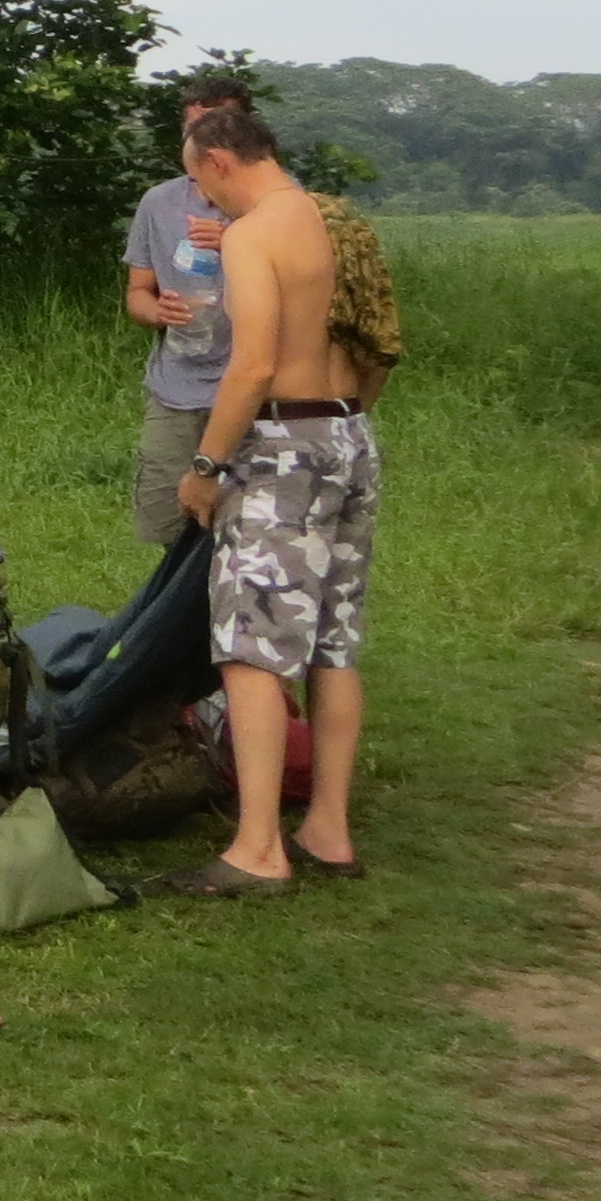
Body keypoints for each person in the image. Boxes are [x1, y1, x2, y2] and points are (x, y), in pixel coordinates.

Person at [160, 107, 377, 899]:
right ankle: (327, 827)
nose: (202, 197)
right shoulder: (330, 221)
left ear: (219, 162)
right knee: (331, 639)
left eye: (197, 177)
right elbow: (377, 338)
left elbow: (250, 366)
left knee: (249, 645)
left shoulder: (254, 235)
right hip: (350, 436)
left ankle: (258, 849)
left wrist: (207, 466)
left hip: (284, 446)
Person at [122, 74, 258, 549]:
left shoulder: (277, 205)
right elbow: (137, 292)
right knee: (167, 524)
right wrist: (158, 310)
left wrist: (236, 241)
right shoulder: (159, 202)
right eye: (194, 128)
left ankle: (232, 619)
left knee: (246, 528)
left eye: (217, 127)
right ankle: (175, 618)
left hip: (253, 388)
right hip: (175, 385)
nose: (202, 142)